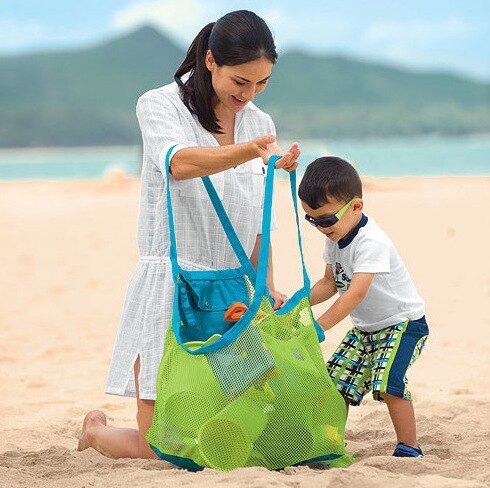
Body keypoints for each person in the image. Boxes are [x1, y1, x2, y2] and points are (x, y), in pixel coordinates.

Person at [78, 10, 300, 459]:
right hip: (172, 285)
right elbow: (177, 164)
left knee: (245, 431)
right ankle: (96, 431)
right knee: (162, 446)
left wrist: (267, 285)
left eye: (261, 84)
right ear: (211, 60)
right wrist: (249, 153)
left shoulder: (260, 123)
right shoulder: (159, 105)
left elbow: (261, 220)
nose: (249, 94)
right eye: (241, 81)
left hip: (235, 294)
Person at [298, 156, 429, 458]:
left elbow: (354, 294)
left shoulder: (371, 241)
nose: (320, 227)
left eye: (326, 219)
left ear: (356, 206)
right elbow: (330, 282)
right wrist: (298, 302)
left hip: (403, 325)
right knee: (335, 383)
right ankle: (331, 443)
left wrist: (319, 327)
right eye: (312, 219)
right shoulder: (335, 236)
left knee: (388, 383)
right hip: (366, 329)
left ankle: (410, 446)